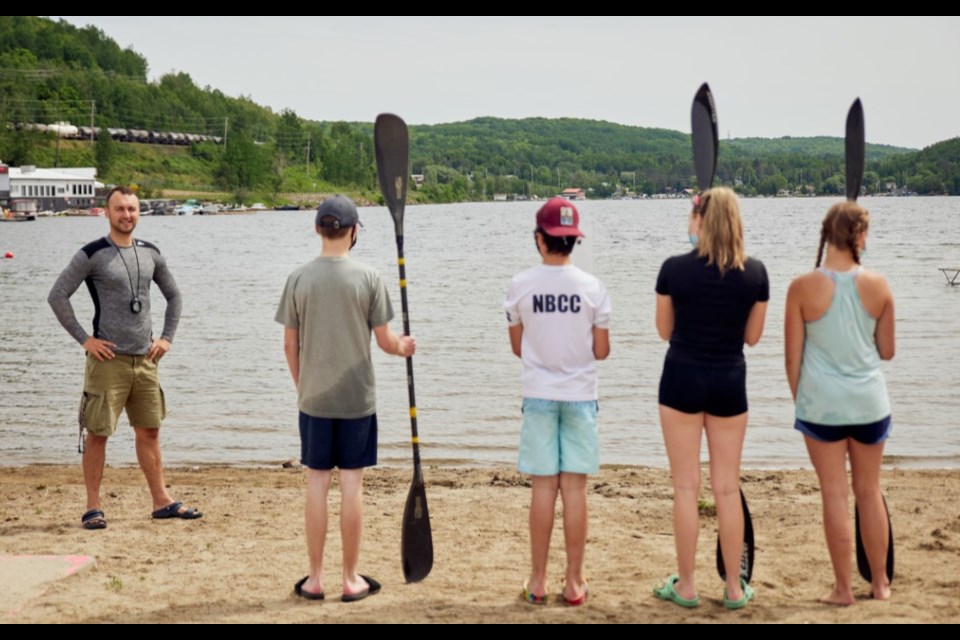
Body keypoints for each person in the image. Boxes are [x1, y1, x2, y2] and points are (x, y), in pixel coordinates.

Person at [276, 195, 415, 602]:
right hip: (357, 399)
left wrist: (303, 387)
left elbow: (289, 344)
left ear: (318, 228)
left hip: (313, 399)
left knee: (317, 483)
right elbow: (386, 342)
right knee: (352, 484)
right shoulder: (369, 277)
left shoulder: (298, 278)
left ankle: (315, 578)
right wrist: (404, 346)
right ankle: (350, 578)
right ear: (354, 231)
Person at [48, 185, 198, 530]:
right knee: (98, 434)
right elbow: (57, 296)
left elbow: (174, 296)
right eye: (120, 209)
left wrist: (166, 338)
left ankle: (161, 501)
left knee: (150, 432)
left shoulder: (151, 253)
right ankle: (93, 507)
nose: (126, 215)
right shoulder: (92, 254)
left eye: (132, 209)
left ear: (138, 212)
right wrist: (85, 340)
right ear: (107, 212)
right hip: (107, 362)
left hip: (145, 361)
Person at [652, 187, 768, 610]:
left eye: (690, 214)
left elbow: (664, 331)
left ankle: (686, 586)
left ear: (700, 220)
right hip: (728, 381)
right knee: (726, 487)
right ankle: (735, 590)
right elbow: (752, 338)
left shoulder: (673, 270)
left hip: (681, 377)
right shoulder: (755, 273)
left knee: (686, 486)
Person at [785, 202, 894, 605]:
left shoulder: (801, 287)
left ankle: (844, 589)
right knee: (869, 491)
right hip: (869, 402)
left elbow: (792, 358)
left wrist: (804, 402)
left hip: (821, 407)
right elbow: (887, 351)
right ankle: (880, 584)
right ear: (860, 237)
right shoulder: (880, 286)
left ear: (827, 235)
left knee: (834, 494)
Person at [504, 197, 611, 606]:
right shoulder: (593, 288)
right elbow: (601, 351)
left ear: (539, 239)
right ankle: (575, 581)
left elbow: (518, 347)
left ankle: (537, 581)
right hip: (580, 397)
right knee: (575, 490)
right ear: (573, 241)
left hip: (539, 395)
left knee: (543, 489)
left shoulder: (520, 286)